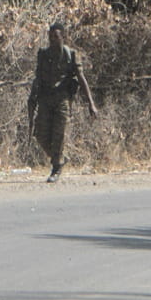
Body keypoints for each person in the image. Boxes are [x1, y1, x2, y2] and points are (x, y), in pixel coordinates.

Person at [28, 21, 98, 182]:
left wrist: (91, 104)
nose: (53, 39)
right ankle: (59, 158)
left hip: (62, 99)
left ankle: (56, 168)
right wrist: (33, 97)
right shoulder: (43, 55)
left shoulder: (71, 55)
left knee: (59, 134)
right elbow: (38, 78)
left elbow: (81, 79)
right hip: (45, 98)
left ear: (63, 37)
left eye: (56, 36)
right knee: (40, 134)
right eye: (50, 36)